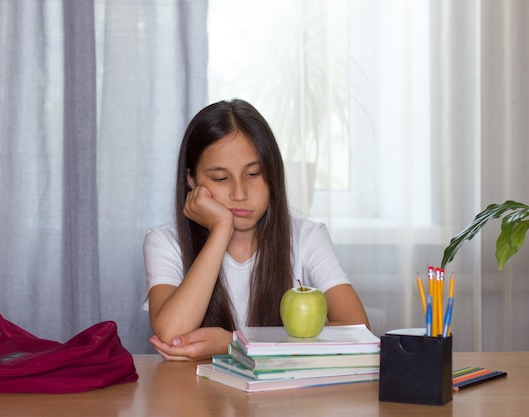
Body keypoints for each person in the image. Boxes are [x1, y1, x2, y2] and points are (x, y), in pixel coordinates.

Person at [142, 99, 369, 361]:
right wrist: (220, 229)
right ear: (191, 179)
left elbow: (357, 330)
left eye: (253, 174)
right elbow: (172, 332)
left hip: (284, 397)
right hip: (196, 397)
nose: (240, 193)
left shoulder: (307, 237)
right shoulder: (164, 242)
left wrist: (234, 342)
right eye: (220, 178)